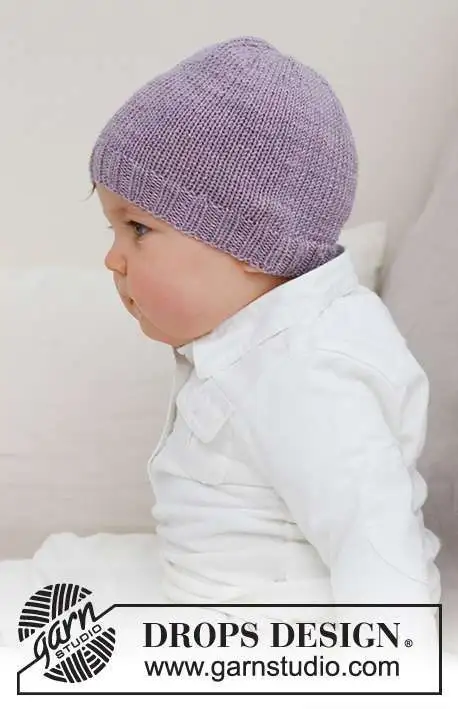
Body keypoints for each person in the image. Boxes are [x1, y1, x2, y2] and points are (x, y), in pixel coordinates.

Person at [87, 36, 444, 647]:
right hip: (206, 596)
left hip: (265, 647)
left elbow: (378, 550)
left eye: (138, 229)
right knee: (61, 572)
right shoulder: (255, 341)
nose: (112, 259)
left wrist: (394, 671)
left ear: (254, 242)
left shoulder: (307, 373)